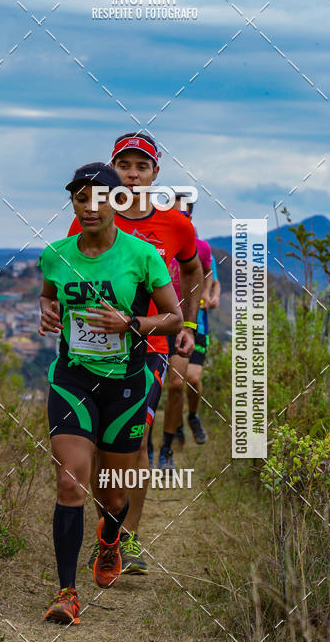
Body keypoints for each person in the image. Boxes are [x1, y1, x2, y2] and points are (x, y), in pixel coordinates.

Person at [39, 162, 182, 624]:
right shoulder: (55, 254)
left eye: (100, 196)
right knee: (70, 481)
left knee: (113, 497)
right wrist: (47, 311)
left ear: (118, 202)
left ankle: (109, 540)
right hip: (72, 378)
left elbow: (174, 318)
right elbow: (48, 293)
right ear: (74, 204)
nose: (90, 205)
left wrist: (132, 324)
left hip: (124, 384)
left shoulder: (142, 256)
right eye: (81, 198)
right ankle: (66, 592)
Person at [68, 133, 203, 575]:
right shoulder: (88, 220)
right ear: (111, 171)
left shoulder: (175, 226)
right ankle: (108, 530)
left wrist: (188, 323)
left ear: (154, 174)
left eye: (141, 166)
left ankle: (128, 538)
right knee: (101, 446)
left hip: (150, 347)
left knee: (136, 439)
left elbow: (191, 268)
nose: (131, 173)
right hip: (95, 350)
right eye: (123, 165)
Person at [160, 196, 211, 467]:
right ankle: (162, 441)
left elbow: (207, 274)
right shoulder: (154, 242)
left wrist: (209, 295)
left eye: (183, 213)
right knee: (168, 385)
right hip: (157, 320)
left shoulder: (199, 247)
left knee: (186, 380)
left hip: (190, 323)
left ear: (190, 216)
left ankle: (190, 417)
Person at [176, 250, 221, 445]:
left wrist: (213, 296)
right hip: (170, 326)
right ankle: (175, 428)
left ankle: (193, 416)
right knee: (174, 383)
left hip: (198, 327)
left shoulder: (202, 253)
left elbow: (215, 282)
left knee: (193, 379)